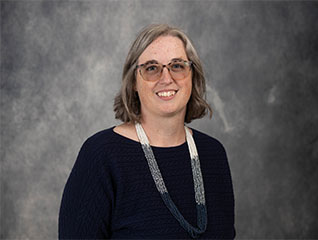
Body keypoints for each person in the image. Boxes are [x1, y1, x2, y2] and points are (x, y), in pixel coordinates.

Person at [59, 24, 235, 239]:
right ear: (133, 81)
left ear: (192, 74)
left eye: (177, 66)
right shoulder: (101, 155)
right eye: (151, 68)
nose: (166, 78)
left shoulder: (213, 153)